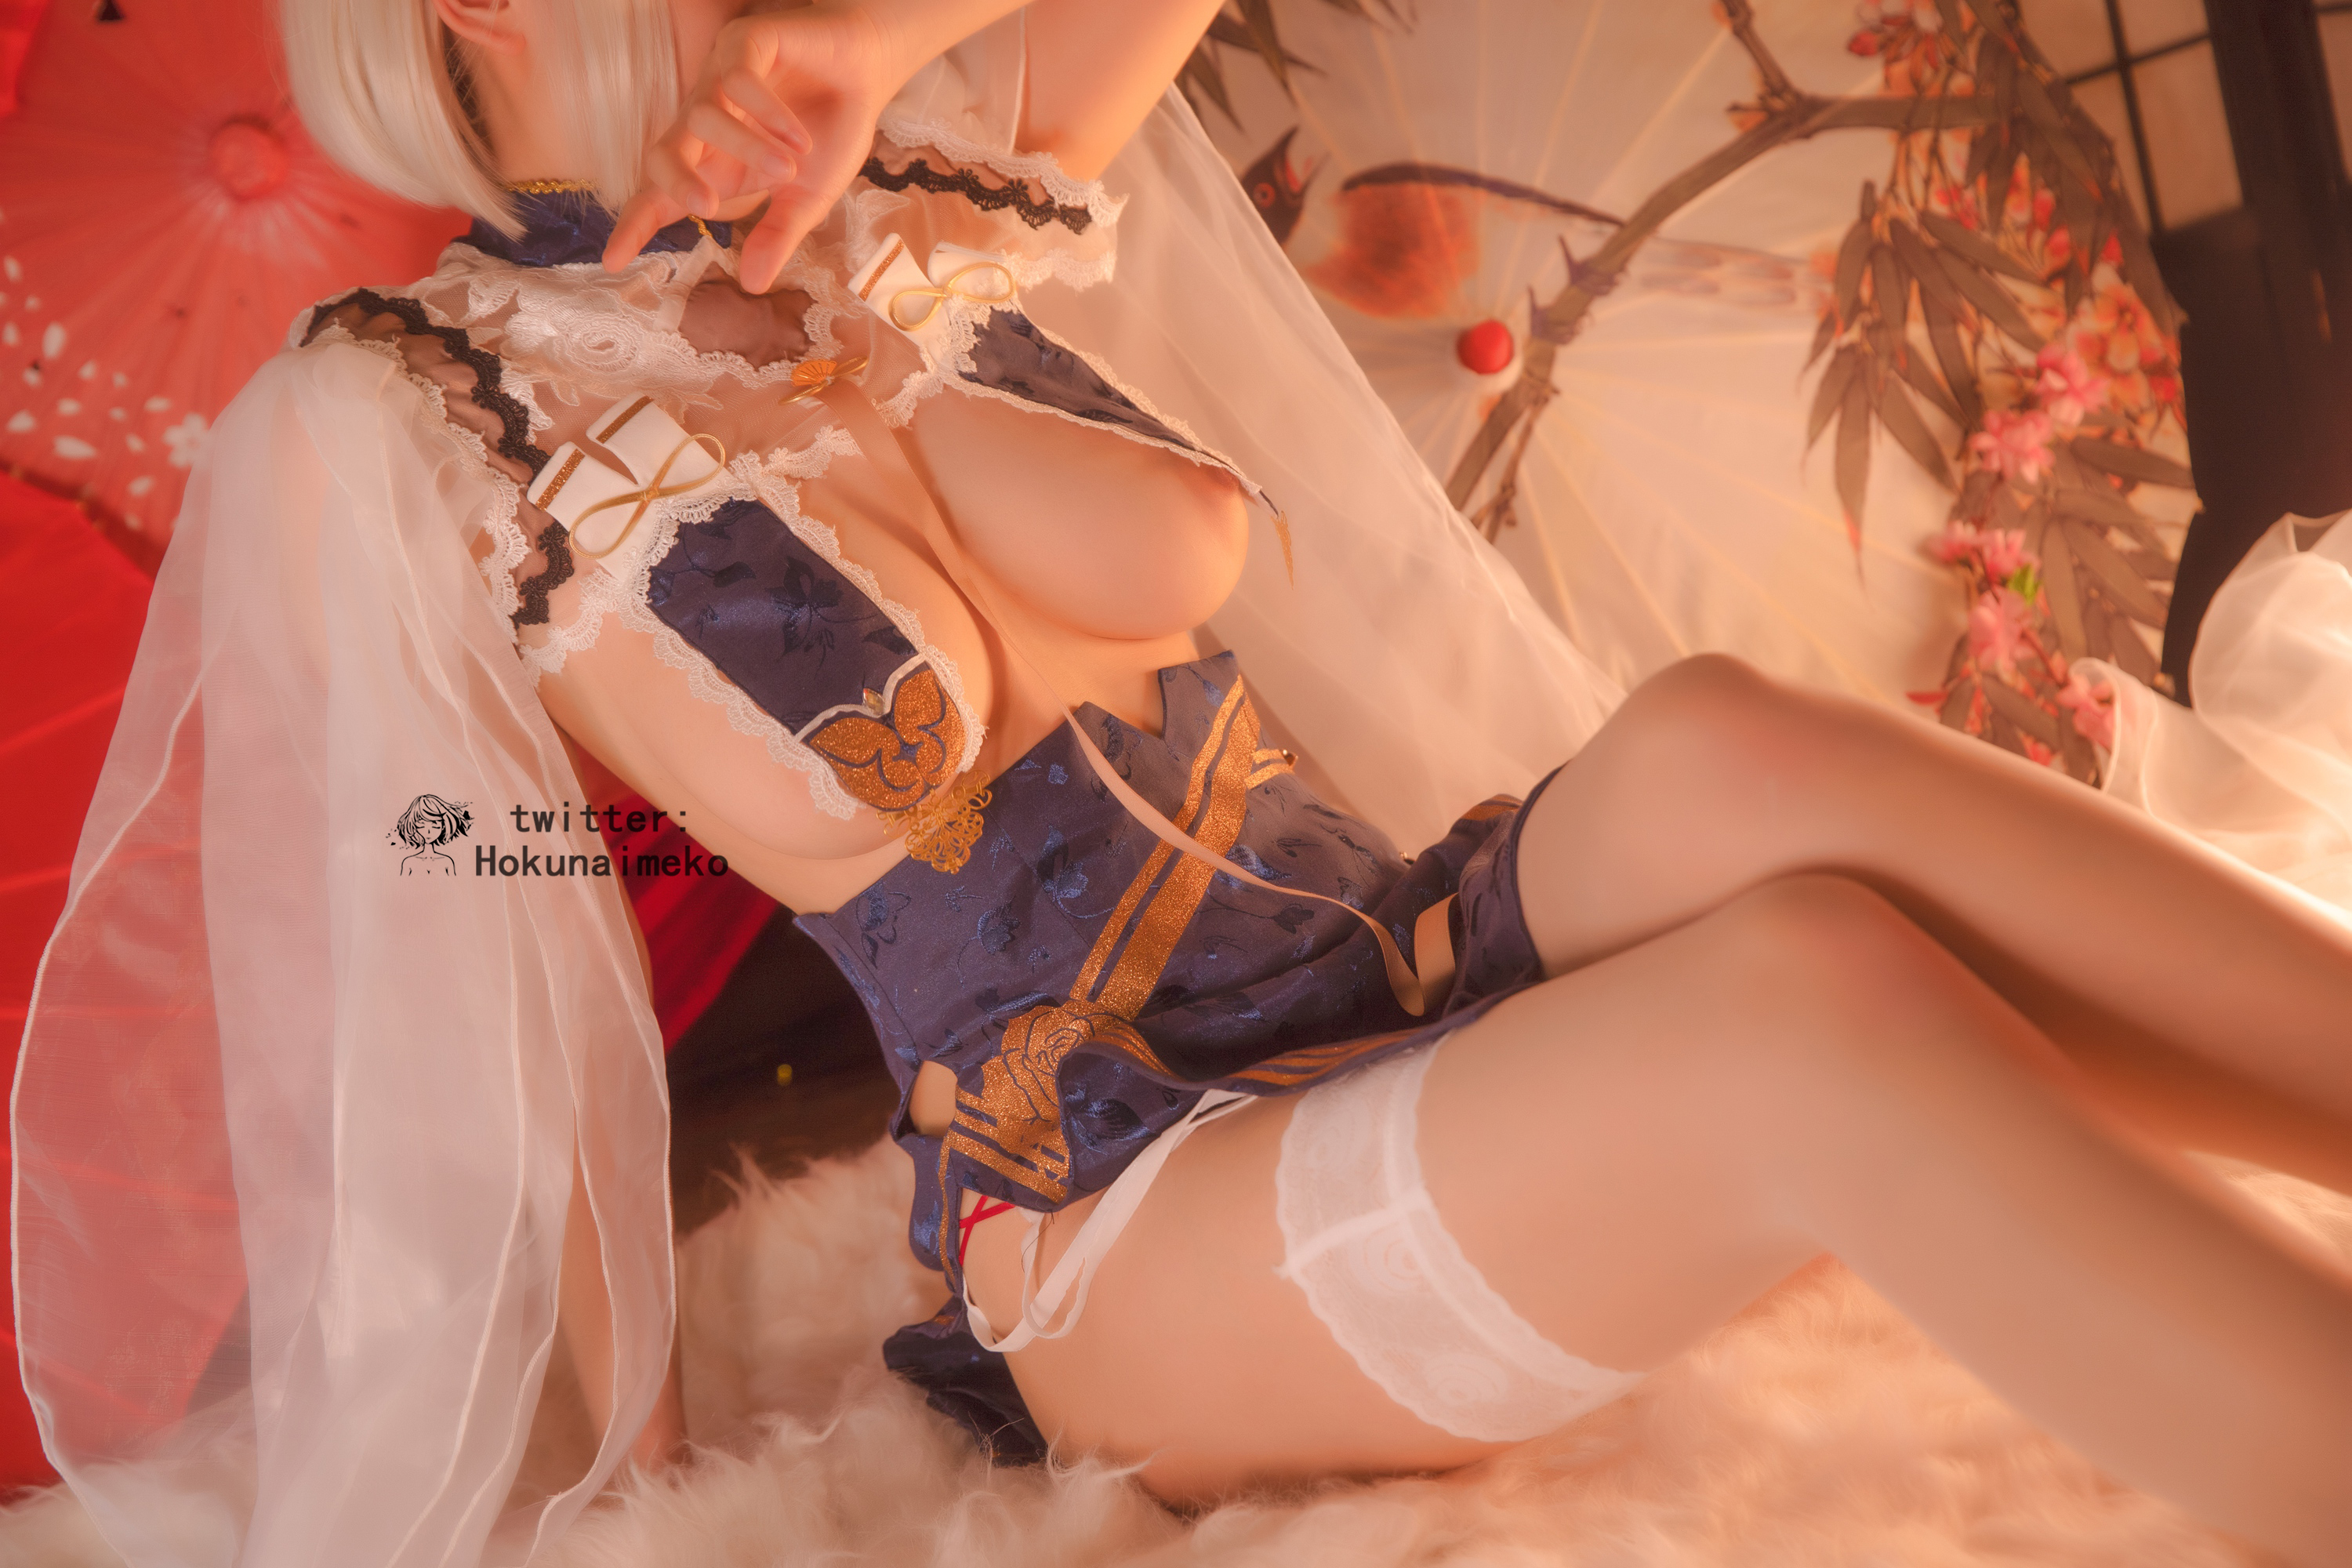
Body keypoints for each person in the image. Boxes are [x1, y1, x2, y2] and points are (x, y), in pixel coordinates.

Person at [13, 2, 2350, 1565]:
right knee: (1806, 993)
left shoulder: (901, 174)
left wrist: (869, 51)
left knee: (1723, 739)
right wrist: (630, 1474)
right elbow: (457, 957)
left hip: (1400, 942)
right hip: (1126, 1199)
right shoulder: (404, 411)